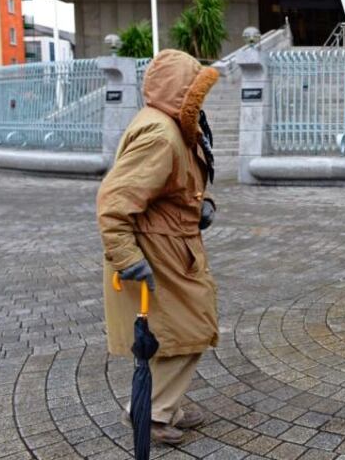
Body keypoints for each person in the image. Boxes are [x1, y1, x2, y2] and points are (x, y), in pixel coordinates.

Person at [97, 49, 220, 445]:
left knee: (175, 334)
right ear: (179, 92)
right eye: (196, 94)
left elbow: (167, 187)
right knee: (190, 331)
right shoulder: (161, 133)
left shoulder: (166, 124)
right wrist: (127, 258)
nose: (201, 103)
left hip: (169, 248)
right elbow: (114, 202)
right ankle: (148, 417)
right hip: (156, 254)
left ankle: (163, 406)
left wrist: (198, 208)